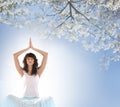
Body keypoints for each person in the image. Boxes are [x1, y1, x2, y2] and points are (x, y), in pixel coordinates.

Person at [1, 38, 55, 107]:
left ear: (34, 61)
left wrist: (33, 48)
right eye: (28, 59)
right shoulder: (22, 72)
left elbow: (46, 55)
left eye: (32, 59)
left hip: (36, 100)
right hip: (23, 100)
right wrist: (27, 48)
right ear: (25, 61)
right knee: (9, 97)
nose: (30, 60)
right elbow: (15, 55)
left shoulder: (38, 72)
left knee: (49, 99)